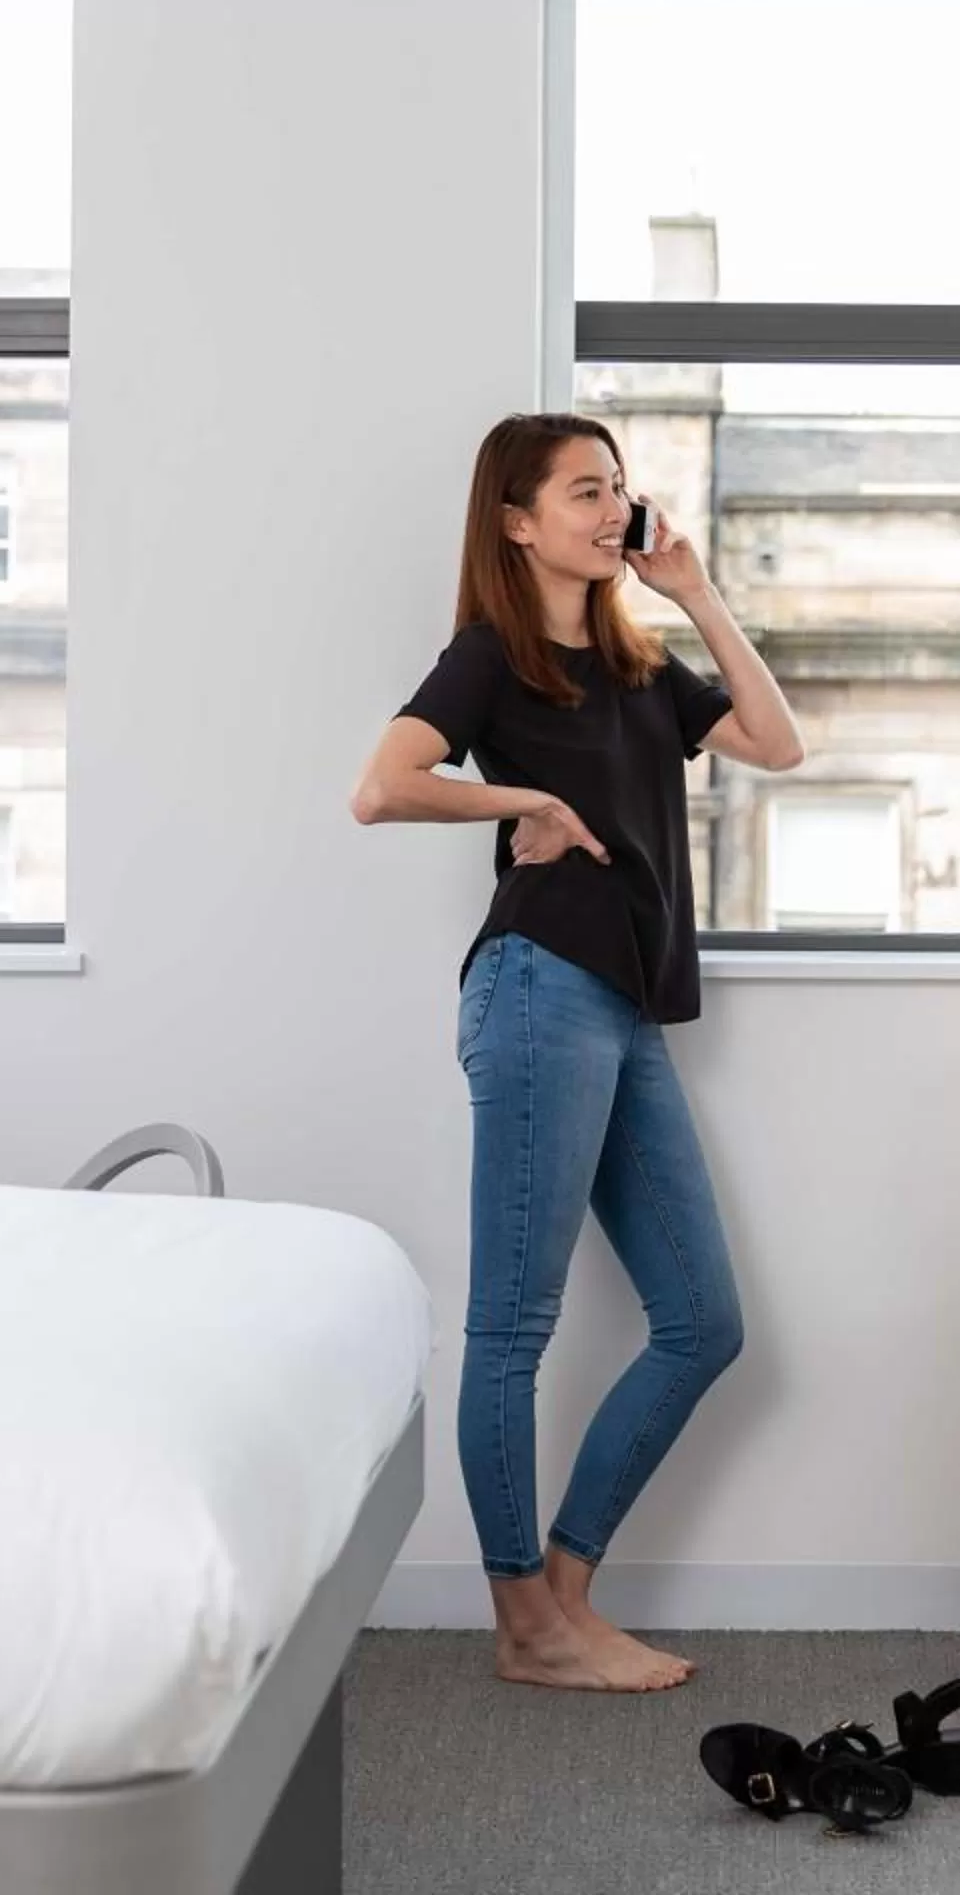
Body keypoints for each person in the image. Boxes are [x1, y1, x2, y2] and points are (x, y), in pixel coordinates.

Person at [352, 413, 806, 1692]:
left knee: (703, 1322)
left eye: (619, 488)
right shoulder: (492, 655)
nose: (612, 510)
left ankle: (561, 1593)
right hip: (540, 984)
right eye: (583, 490)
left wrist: (698, 591)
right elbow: (383, 785)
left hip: (621, 1006)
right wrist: (525, 802)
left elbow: (778, 746)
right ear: (517, 519)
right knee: (513, 1321)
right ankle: (525, 1622)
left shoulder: (639, 662)